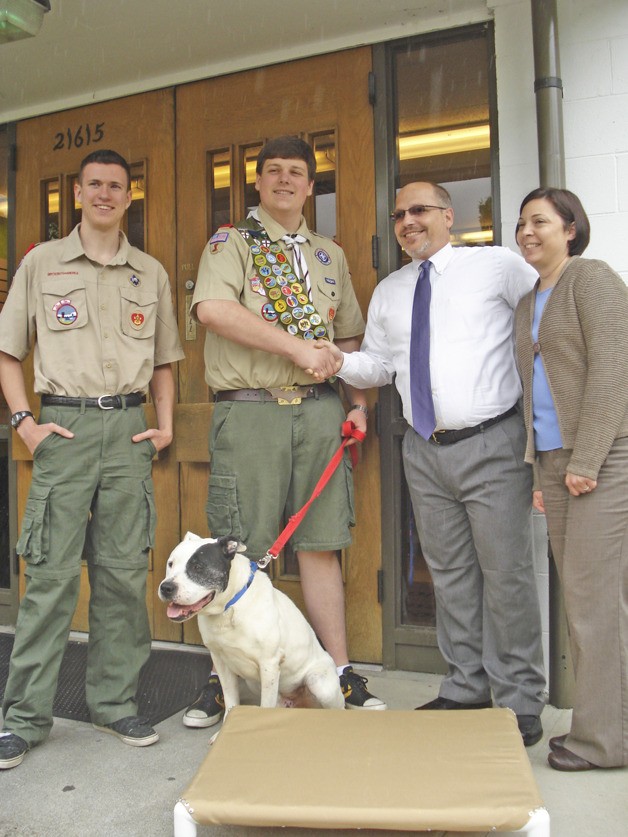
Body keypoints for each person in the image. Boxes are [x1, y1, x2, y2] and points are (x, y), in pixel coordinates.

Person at [325, 181, 546, 745]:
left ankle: (520, 699)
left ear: (449, 215)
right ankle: (466, 685)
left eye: (419, 210)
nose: (407, 221)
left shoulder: (495, 266)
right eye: (398, 214)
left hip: (493, 443)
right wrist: (335, 360)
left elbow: (549, 313)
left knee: (507, 576)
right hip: (423, 450)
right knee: (448, 575)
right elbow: (377, 366)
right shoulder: (390, 291)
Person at [185, 135, 386, 725]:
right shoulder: (232, 244)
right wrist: (298, 348)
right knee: (237, 549)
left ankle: (339, 672)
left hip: (323, 412)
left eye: (296, 172)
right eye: (273, 171)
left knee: (321, 543)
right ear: (258, 182)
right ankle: (221, 683)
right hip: (251, 410)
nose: (284, 181)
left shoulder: (329, 255)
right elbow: (213, 311)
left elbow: (348, 337)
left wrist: (358, 403)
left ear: (310, 184)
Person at [0, 149, 184, 770]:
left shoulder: (150, 272)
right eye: (94, 185)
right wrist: (24, 423)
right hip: (65, 428)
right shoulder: (41, 264)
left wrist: (163, 426)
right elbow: (7, 350)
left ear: (130, 196)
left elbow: (163, 362)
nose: (105, 194)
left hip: (128, 431)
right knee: (49, 579)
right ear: (76, 194)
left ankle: (113, 702)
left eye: (116, 186)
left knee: (122, 577)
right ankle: (24, 717)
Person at [514, 187, 628, 771]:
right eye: (521, 222)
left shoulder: (592, 279)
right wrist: (542, 468)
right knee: (585, 601)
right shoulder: (528, 298)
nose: (527, 231)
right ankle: (602, 729)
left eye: (541, 221)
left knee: (595, 604)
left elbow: (614, 372)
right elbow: (535, 394)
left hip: (602, 460)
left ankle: (605, 743)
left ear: (571, 228)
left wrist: (584, 460)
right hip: (557, 464)